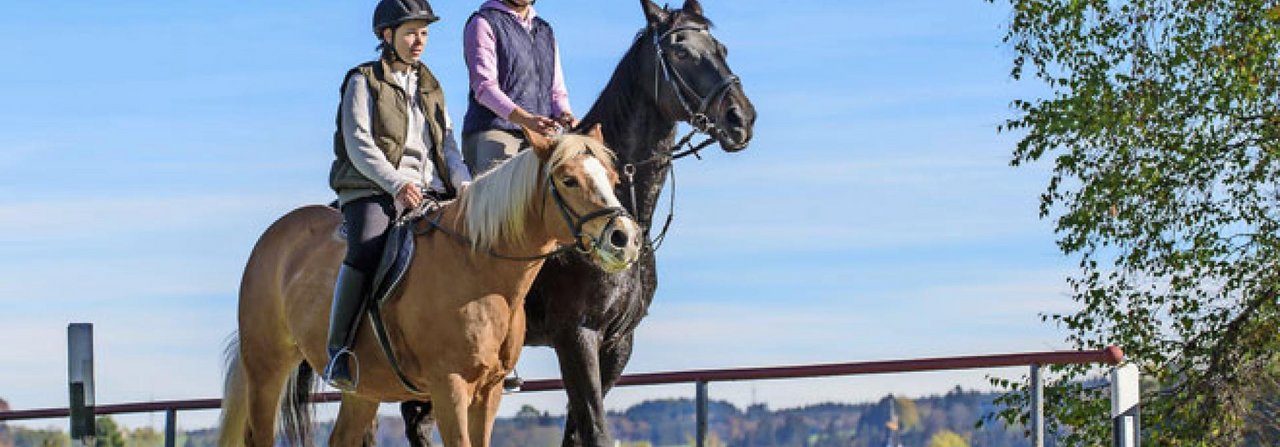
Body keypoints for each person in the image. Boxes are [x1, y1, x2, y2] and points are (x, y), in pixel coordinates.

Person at [324, 0, 471, 391]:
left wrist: (465, 186)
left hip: (431, 190)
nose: (419, 41)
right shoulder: (362, 79)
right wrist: (396, 183)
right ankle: (338, 349)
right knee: (368, 247)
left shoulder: (431, 84)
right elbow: (359, 143)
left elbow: (449, 145)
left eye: (424, 33)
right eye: (410, 32)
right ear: (386, 35)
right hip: (373, 187)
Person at [461, 0, 577, 174]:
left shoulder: (545, 30)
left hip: (540, 133)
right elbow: (484, 88)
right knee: (499, 194)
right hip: (496, 130)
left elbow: (556, 91)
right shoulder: (483, 22)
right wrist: (526, 119)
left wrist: (565, 116)